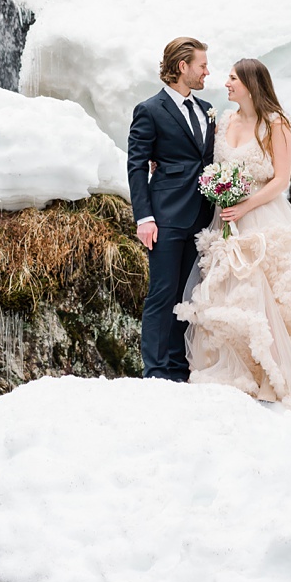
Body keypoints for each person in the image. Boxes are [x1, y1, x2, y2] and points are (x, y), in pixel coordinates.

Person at [175, 58, 291, 415]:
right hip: (226, 220)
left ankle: (276, 378)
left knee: (268, 297)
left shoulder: (276, 123)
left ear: (250, 84)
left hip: (261, 217)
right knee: (234, 297)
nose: (226, 83)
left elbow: (281, 180)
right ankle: (245, 371)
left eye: (233, 78)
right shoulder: (225, 121)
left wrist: (245, 206)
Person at [127, 37, 215, 381]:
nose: (207, 72)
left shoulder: (207, 109)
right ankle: (156, 370)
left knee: (188, 294)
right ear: (182, 66)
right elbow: (136, 165)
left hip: (202, 216)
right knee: (162, 293)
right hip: (164, 216)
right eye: (202, 66)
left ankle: (179, 367)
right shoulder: (149, 110)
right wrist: (144, 217)